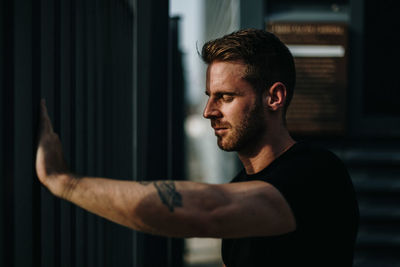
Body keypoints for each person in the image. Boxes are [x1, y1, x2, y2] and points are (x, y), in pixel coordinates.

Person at [36, 29, 359, 266]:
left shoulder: (317, 173)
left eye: (226, 97)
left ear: (273, 98)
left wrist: (65, 182)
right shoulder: (241, 185)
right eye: (208, 95)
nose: (208, 111)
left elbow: (208, 211)